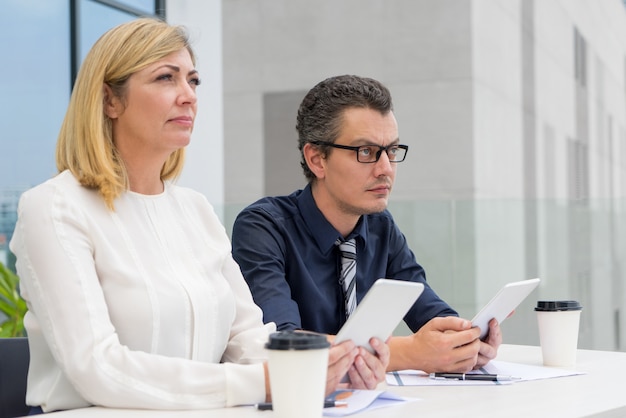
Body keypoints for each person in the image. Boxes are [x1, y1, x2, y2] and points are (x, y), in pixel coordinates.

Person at [9, 20, 388, 414]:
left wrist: (328, 360)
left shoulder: (195, 210)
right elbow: (97, 367)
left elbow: (244, 339)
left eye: (193, 81)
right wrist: (264, 382)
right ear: (110, 100)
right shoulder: (54, 208)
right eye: (165, 78)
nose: (188, 96)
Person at [231, 74, 502, 374]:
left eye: (392, 151)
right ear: (317, 159)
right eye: (367, 152)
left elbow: (429, 314)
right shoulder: (263, 227)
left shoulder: (379, 226)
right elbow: (281, 343)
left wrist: (465, 341)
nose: (386, 169)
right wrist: (411, 353)